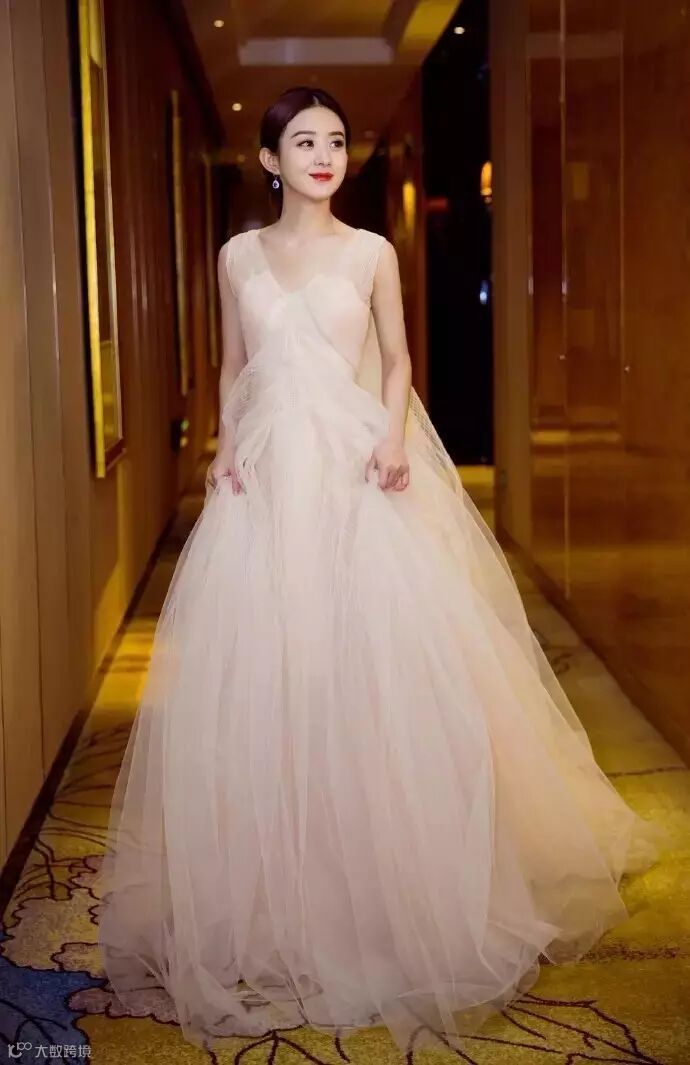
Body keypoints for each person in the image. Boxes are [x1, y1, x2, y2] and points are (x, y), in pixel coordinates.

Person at [97, 86, 663, 1056]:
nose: (324, 154)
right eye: (302, 141)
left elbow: (398, 361)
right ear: (269, 160)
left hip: (359, 468)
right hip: (269, 480)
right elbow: (233, 365)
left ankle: (385, 884)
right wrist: (224, 450)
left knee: (369, 671)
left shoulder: (370, 252)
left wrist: (394, 437)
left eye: (334, 140)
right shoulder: (237, 257)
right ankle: (281, 893)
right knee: (272, 674)